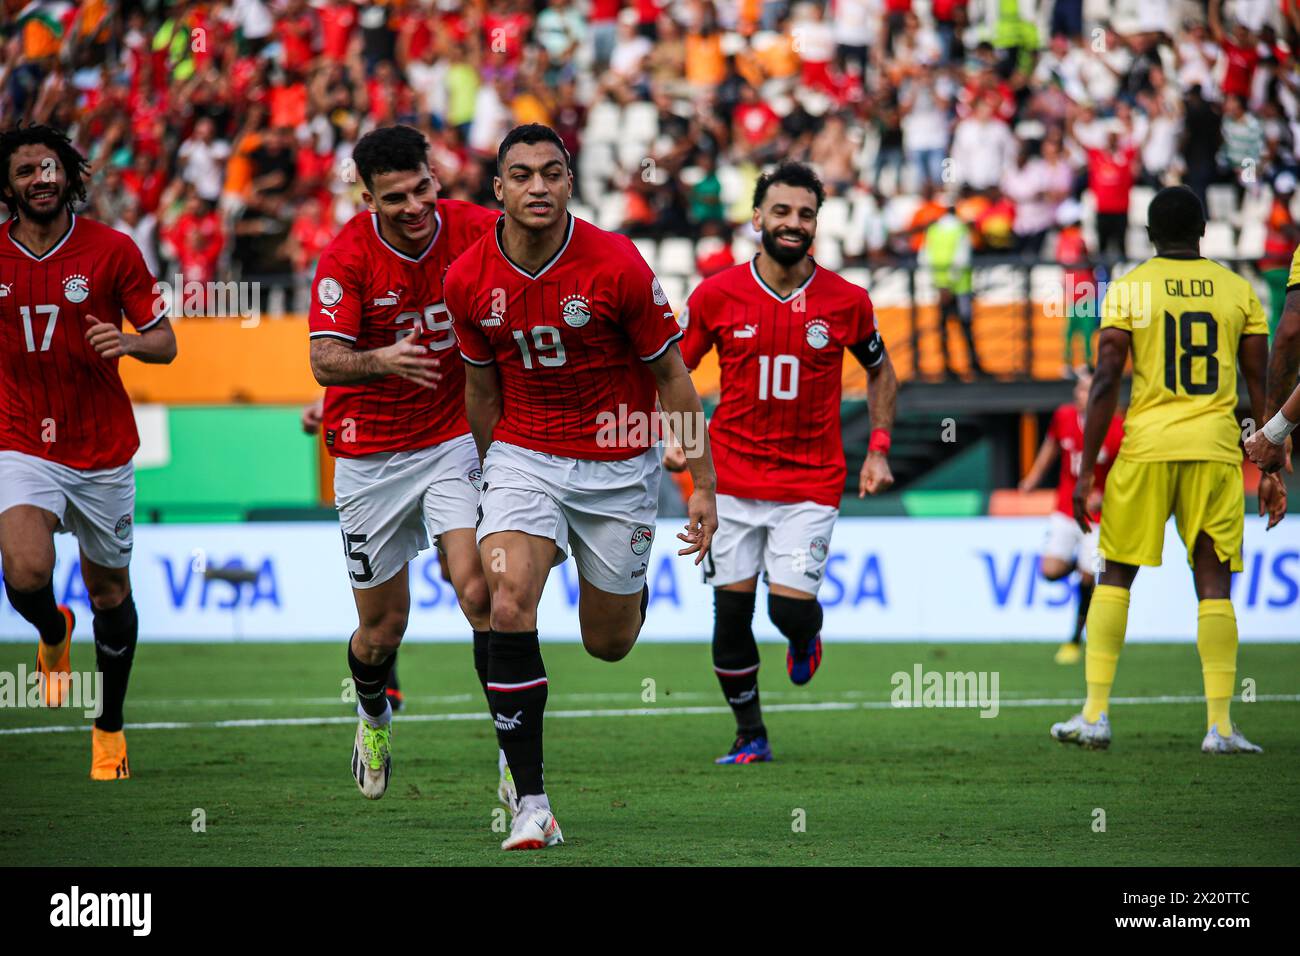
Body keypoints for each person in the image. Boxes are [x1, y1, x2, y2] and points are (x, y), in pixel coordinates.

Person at [444, 124, 718, 850]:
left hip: (618, 465)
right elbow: (480, 390)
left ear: (571, 182)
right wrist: (485, 479)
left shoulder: (616, 264)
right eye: (522, 175)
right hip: (523, 457)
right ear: (496, 188)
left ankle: (626, 593)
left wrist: (701, 486)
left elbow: (674, 381)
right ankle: (531, 801)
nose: (538, 187)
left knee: (609, 644)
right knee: (506, 603)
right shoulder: (467, 279)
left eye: (553, 173)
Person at [669, 162, 899, 764]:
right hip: (731, 482)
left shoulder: (846, 301)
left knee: (788, 608)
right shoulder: (717, 293)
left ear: (816, 223)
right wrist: (674, 433)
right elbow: (675, 373)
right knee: (731, 614)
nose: (792, 223)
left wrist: (878, 447)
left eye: (804, 213)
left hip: (810, 483)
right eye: (781, 211)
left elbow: (881, 370)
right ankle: (751, 734)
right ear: (757, 219)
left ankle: (806, 636)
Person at [305, 125, 503, 804]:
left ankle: (514, 751)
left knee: (480, 592)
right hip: (368, 455)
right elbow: (323, 359)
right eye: (395, 199)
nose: (414, 206)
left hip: (453, 439)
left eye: (422, 188)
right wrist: (379, 361)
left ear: (436, 176)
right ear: (368, 198)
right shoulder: (346, 257)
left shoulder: (481, 229)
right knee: (381, 629)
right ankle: (372, 715)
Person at [1050, 186, 1287, 754]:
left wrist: (1085, 472)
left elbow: (1106, 378)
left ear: (1149, 236)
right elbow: (1262, 388)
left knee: (1114, 576)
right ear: (1205, 231)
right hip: (1214, 448)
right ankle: (1221, 727)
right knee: (1213, 583)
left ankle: (1095, 715)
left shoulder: (1130, 289)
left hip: (1146, 449)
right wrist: (1274, 464)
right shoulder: (1239, 291)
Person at [0, 124, 178, 779]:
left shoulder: (113, 251)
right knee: (23, 572)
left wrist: (129, 343)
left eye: (50, 167)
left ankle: (108, 726)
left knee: (108, 590)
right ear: (9, 186)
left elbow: (166, 342)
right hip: (19, 438)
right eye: (25, 171)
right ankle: (51, 630)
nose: (40, 179)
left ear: (69, 176)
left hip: (101, 447)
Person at [1018, 371, 1124, 664]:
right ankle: (1078, 569)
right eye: (1079, 389)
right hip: (1065, 510)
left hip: (1098, 517)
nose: (1082, 395)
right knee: (1050, 571)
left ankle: (1075, 639)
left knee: (1092, 574)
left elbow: (1126, 471)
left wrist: (1104, 495)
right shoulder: (1064, 417)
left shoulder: (1118, 427)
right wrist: (1033, 477)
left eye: (1089, 389)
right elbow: (1052, 445)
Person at [921, 194, 985, 379]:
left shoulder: (933, 230)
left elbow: (925, 258)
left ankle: (947, 367)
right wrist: (949, 285)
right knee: (965, 327)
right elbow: (961, 259)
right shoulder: (960, 229)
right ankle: (973, 365)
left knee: (943, 329)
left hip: (940, 290)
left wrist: (940, 286)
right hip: (959, 289)